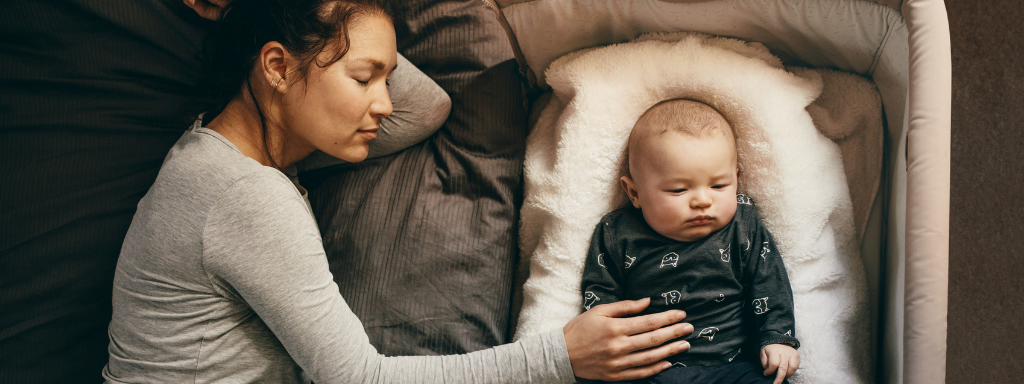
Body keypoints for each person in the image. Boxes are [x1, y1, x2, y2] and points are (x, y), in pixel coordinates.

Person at [102, 0, 695, 383]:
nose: (384, 103)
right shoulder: (244, 195)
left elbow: (426, 107)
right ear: (277, 68)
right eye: (363, 78)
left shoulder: (226, 151)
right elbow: (362, 379)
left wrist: (334, 28)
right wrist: (561, 357)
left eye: (385, 76)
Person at [580, 99, 801, 384]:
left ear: (737, 178)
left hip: (735, 366)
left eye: (719, 185)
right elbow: (600, 297)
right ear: (634, 192)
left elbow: (769, 281)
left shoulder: (742, 224)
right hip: (650, 368)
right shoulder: (617, 233)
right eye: (678, 189)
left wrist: (778, 338)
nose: (702, 200)